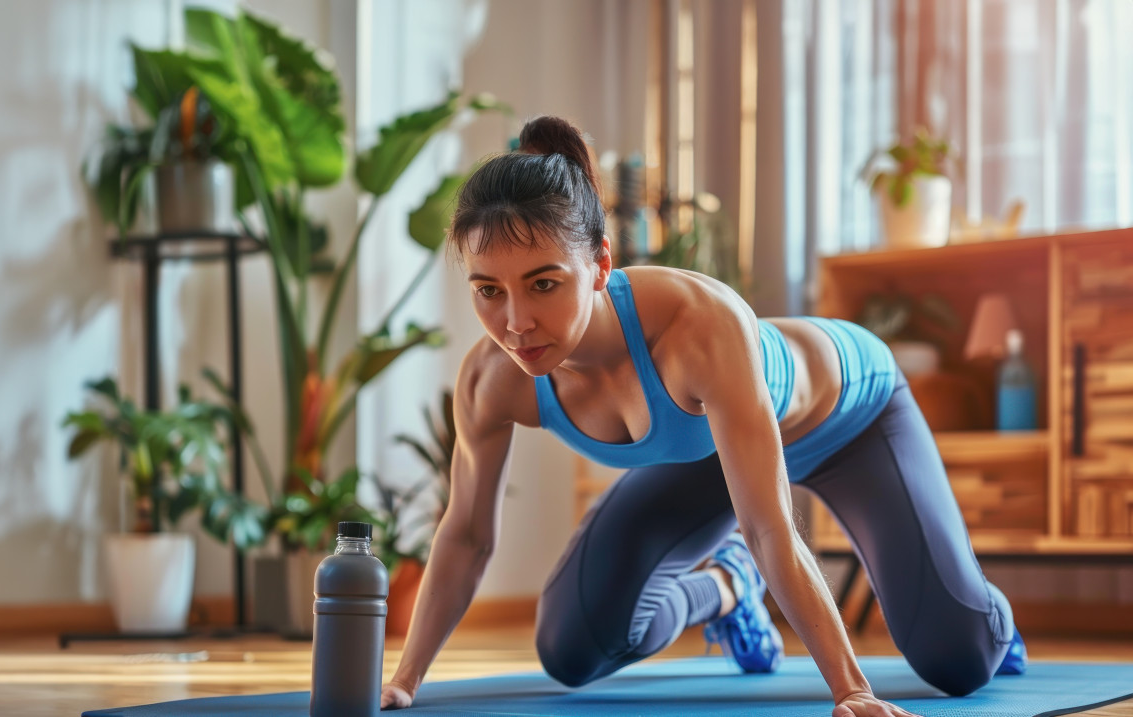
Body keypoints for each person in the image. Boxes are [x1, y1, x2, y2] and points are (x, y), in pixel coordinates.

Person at [379, 116, 1026, 716]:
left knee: (958, 656)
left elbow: (770, 526)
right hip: (708, 450)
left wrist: (851, 690)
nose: (515, 323)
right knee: (573, 646)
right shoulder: (491, 379)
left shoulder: (695, 328)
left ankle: (985, 609)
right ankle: (727, 586)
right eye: (489, 291)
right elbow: (464, 535)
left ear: (600, 265)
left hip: (847, 420)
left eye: (544, 283)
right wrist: (404, 679)